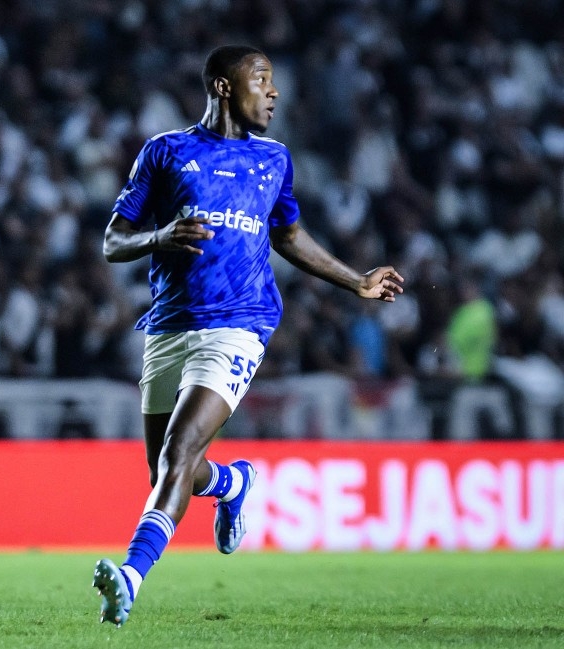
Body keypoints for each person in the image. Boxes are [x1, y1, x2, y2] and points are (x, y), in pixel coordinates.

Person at [92, 45, 404, 626]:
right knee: (169, 467)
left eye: (273, 81)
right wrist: (160, 237)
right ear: (223, 87)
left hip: (240, 324)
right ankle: (233, 483)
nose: (274, 92)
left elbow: (288, 236)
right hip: (169, 326)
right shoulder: (166, 152)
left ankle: (129, 579)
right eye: (261, 79)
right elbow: (114, 241)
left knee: (180, 451)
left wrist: (355, 280)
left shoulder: (275, 160)